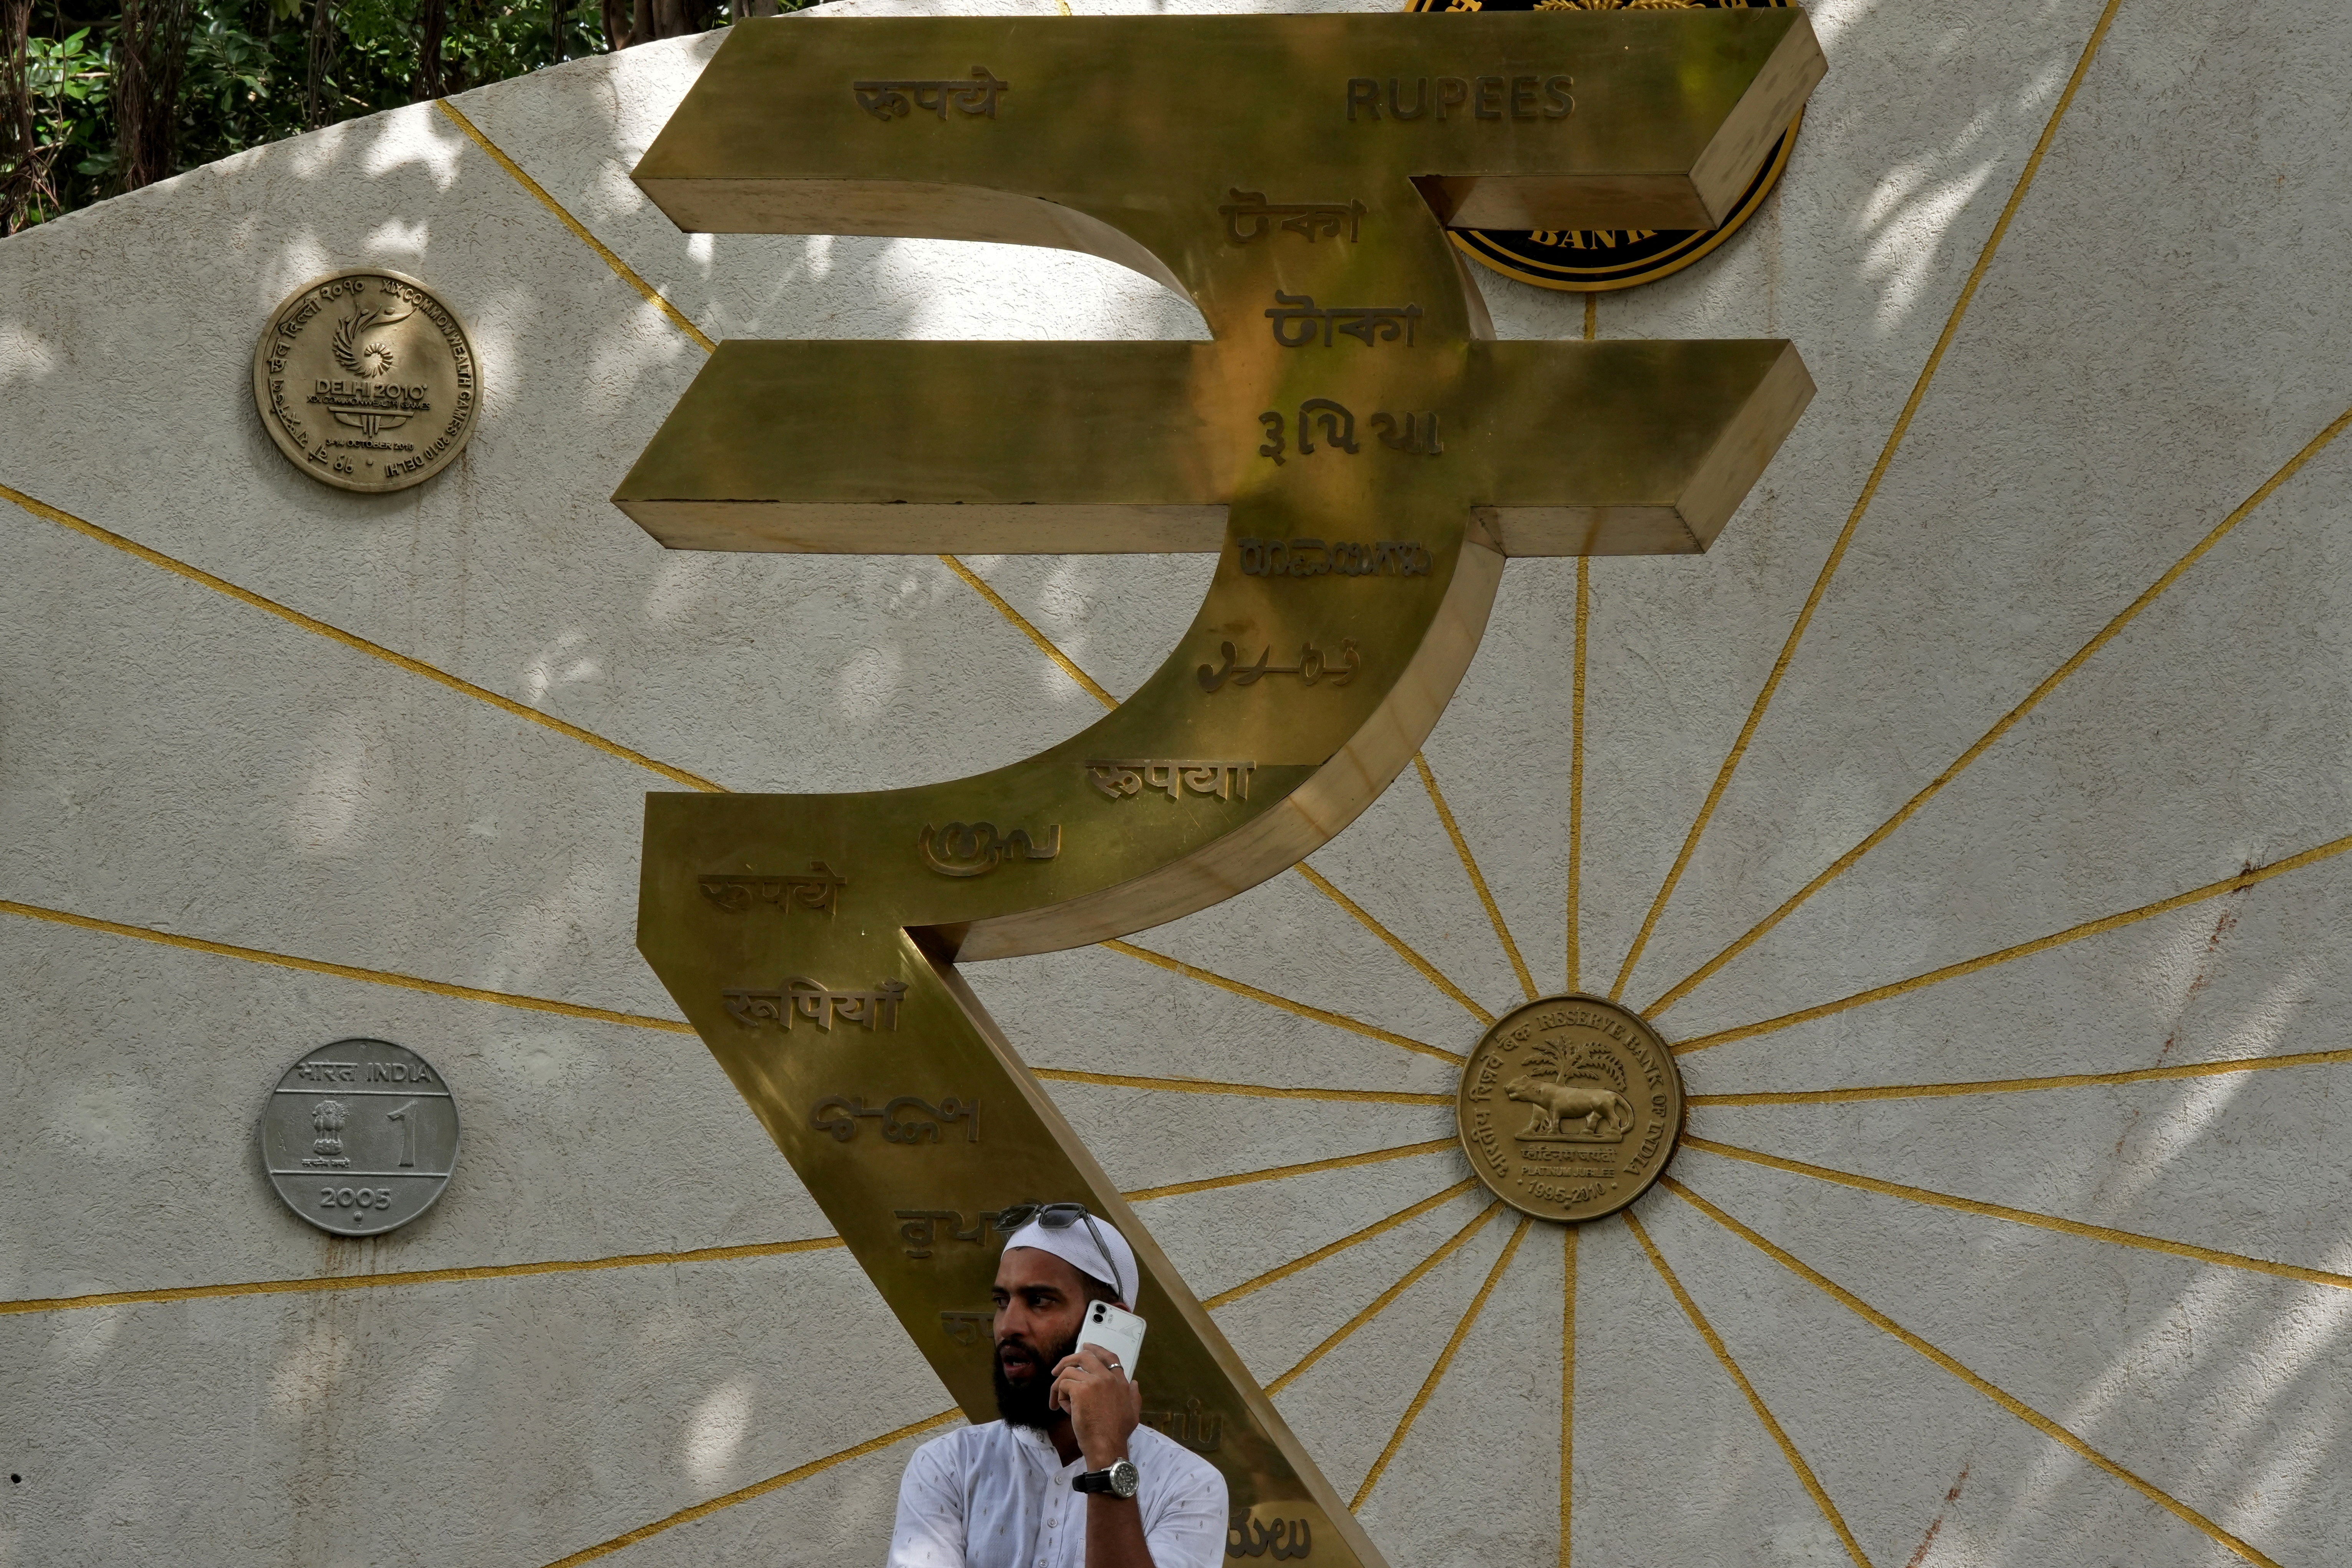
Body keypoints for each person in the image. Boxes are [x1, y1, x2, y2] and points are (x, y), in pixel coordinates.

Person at [886, 1205, 1228, 1568]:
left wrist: (1106, 1455)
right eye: (1002, 1302)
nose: (1007, 1326)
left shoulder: (1189, 1485)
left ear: (1111, 1324)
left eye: (1039, 1301)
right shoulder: (948, 1465)